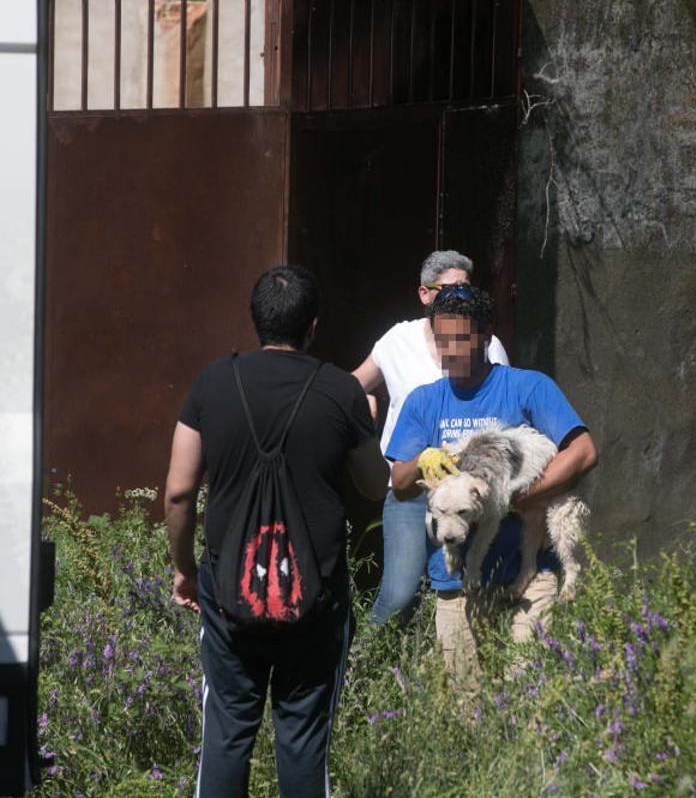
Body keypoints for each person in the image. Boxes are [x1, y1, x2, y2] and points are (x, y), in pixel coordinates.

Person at [163, 266, 387, 798]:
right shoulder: (341, 391)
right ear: (313, 326)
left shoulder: (212, 383)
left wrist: (184, 570)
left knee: (227, 735)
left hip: (227, 597)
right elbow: (376, 486)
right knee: (304, 743)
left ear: (256, 321)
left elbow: (177, 492)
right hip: (317, 599)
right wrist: (365, 423)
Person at [384, 284, 596, 679]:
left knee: (527, 687)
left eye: (460, 339)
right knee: (469, 706)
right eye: (441, 340)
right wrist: (421, 463)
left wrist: (520, 495)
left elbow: (582, 452)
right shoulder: (424, 401)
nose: (449, 350)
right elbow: (399, 482)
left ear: (485, 336)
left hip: (528, 572)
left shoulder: (528, 387)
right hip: (456, 581)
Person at [351, 250, 509, 626]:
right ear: (425, 295)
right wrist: (363, 404)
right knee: (400, 594)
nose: (461, 297)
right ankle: (369, 672)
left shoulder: (489, 344)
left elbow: (501, 405)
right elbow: (352, 385)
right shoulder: (397, 341)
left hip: (465, 491)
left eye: (467, 290)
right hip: (411, 486)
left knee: (460, 589)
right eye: (451, 289)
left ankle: (442, 672)